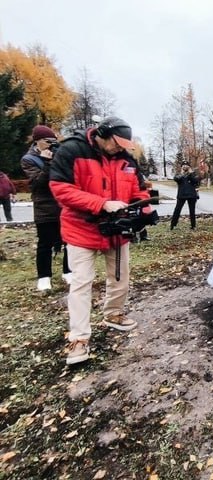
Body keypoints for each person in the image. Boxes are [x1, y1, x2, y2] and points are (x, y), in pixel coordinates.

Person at [49, 116, 153, 365]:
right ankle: (79, 338)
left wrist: (144, 209)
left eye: (123, 145)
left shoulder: (126, 158)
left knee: (120, 276)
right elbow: (60, 189)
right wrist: (102, 204)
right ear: (102, 134)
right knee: (82, 282)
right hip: (82, 229)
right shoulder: (72, 151)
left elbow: (139, 187)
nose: (119, 148)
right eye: (116, 143)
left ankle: (114, 313)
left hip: (117, 229)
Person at [21, 125, 72, 291]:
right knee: (45, 243)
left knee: (68, 241)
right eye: (47, 141)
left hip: (63, 204)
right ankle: (44, 277)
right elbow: (38, 183)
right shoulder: (29, 159)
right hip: (44, 207)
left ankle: (68, 271)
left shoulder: (58, 155)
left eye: (53, 141)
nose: (51, 144)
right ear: (37, 141)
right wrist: (47, 162)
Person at [170, 161, 200, 230]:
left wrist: (190, 173)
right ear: (181, 167)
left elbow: (196, 181)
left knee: (192, 211)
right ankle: (173, 225)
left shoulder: (193, 173)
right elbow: (176, 179)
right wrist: (183, 173)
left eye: (186, 165)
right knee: (177, 210)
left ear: (189, 167)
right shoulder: (179, 174)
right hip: (182, 195)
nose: (185, 166)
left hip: (192, 195)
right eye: (183, 165)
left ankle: (193, 226)